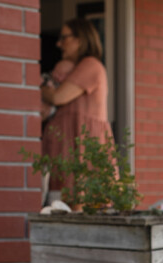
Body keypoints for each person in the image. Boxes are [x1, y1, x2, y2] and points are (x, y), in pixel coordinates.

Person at [40, 17, 113, 194]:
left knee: (80, 200)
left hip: (81, 146)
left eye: (64, 37)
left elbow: (58, 97)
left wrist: (40, 86)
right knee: (62, 203)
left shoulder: (91, 65)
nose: (59, 43)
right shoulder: (71, 68)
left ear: (80, 39)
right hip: (68, 145)